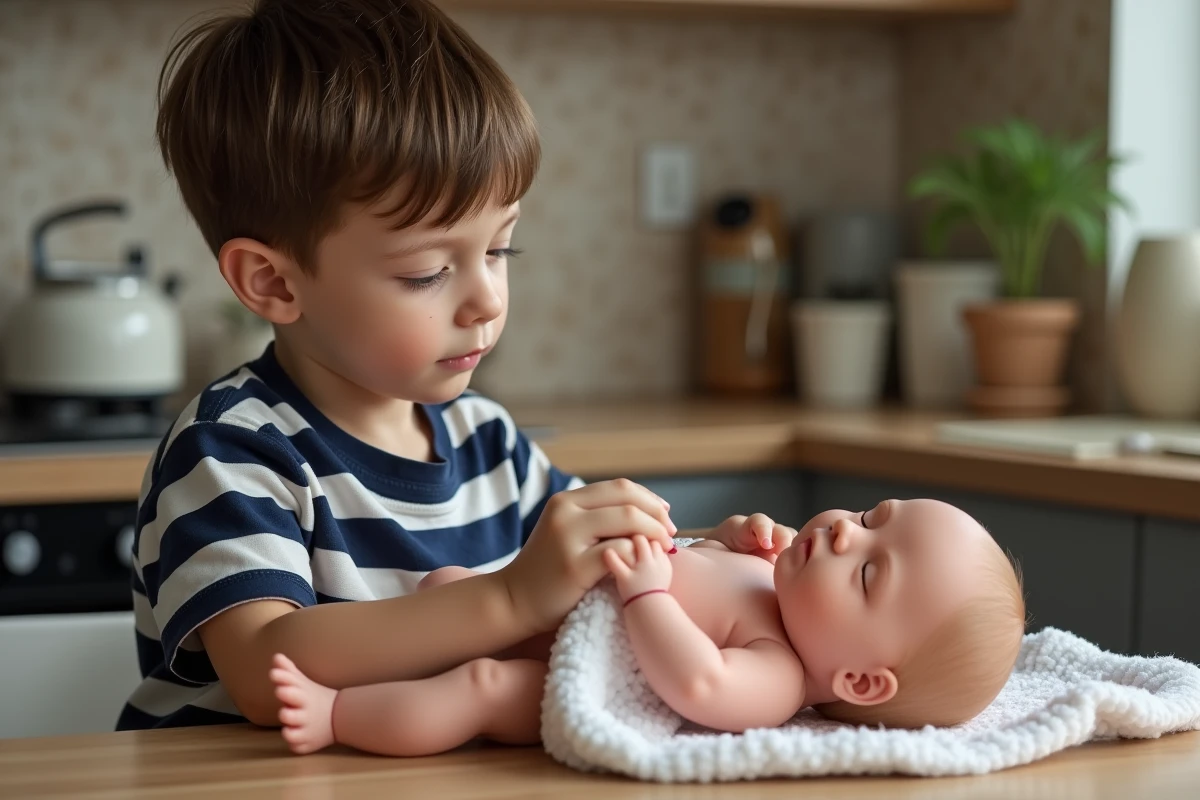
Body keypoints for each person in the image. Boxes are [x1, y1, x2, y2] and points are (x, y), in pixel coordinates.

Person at [116, 0, 787, 731]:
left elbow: (591, 568)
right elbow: (263, 666)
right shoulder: (230, 449)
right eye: (428, 272)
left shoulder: (487, 440)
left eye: (500, 249)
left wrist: (703, 554)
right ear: (274, 282)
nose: (487, 299)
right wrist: (509, 599)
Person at [269, 499, 1026, 755]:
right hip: (540, 611)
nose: (842, 533)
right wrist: (729, 537)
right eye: (868, 517)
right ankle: (379, 667)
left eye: (865, 572)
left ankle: (338, 716)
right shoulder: (774, 577)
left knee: (481, 686)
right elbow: (703, 561)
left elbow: (698, 681)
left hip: (571, 675)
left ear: (859, 680)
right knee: (447, 587)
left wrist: (646, 597)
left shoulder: (778, 674)